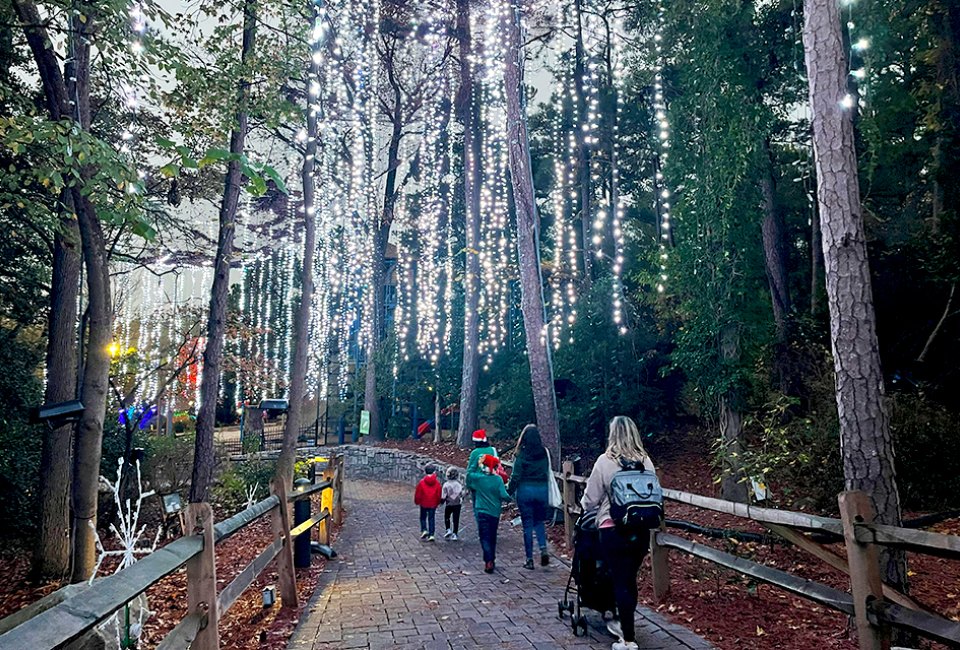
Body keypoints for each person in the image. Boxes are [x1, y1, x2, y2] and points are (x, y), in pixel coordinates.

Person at [581, 416, 656, 650]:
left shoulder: (605, 461)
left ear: (612, 434)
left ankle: (628, 638)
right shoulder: (646, 460)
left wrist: (584, 505)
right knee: (629, 579)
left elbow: (590, 499)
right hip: (640, 530)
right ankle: (626, 627)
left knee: (619, 579)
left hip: (612, 529)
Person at [506, 424, 551, 570]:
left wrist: (508, 491)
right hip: (541, 489)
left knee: (527, 525)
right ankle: (543, 548)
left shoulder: (521, 454)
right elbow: (546, 471)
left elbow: (516, 476)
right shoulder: (544, 452)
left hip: (525, 490)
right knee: (539, 522)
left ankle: (529, 559)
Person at [465, 454, 511, 573]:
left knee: (484, 537)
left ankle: (488, 560)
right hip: (494, 512)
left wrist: (475, 463)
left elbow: (469, 476)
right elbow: (504, 495)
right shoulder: (498, 480)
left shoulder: (479, 479)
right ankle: (492, 558)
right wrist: (509, 498)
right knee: (492, 536)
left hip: (481, 511)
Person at [414, 464, 442, 541]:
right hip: (433, 504)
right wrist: (438, 502)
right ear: (434, 472)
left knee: (423, 517)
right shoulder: (437, 483)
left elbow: (418, 493)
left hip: (423, 503)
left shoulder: (422, 482)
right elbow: (439, 494)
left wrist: (417, 501)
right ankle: (431, 534)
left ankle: (424, 529)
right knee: (431, 518)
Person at [441, 467, 464, 540]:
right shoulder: (458, 484)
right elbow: (461, 494)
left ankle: (448, 529)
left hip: (449, 504)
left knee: (447, 516)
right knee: (456, 519)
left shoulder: (446, 485)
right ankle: (455, 533)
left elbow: (443, 495)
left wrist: (442, 501)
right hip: (457, 504)